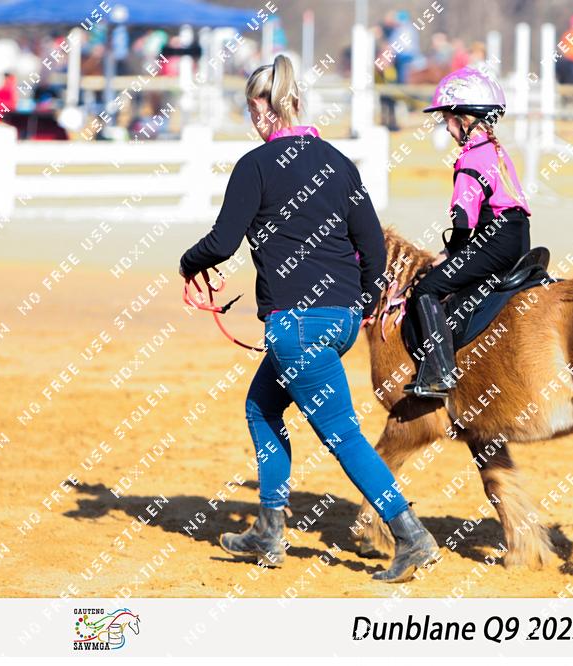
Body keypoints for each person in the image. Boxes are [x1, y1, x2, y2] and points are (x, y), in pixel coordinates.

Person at [178, 54, 438, 583]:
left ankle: (411, 535)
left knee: (342, 435)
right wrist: (360, 304)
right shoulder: (338, 163)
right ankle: (268, 529)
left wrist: (189, 263)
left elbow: (223, 242)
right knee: (261, 407)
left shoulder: (255, 166)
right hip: (338, 322)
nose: (252, 119)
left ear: (264, 109)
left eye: (252, 109)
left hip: (296, 326)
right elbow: (372, 246)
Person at [404, 66, 532, 398]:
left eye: (447, 119)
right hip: (518, 236)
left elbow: (463, 222)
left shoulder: (470, 159)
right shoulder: (495, 150)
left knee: (426, 289)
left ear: (465, 119)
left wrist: (450, 256)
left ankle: (439, 373)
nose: (447, 128)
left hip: (495, 240)